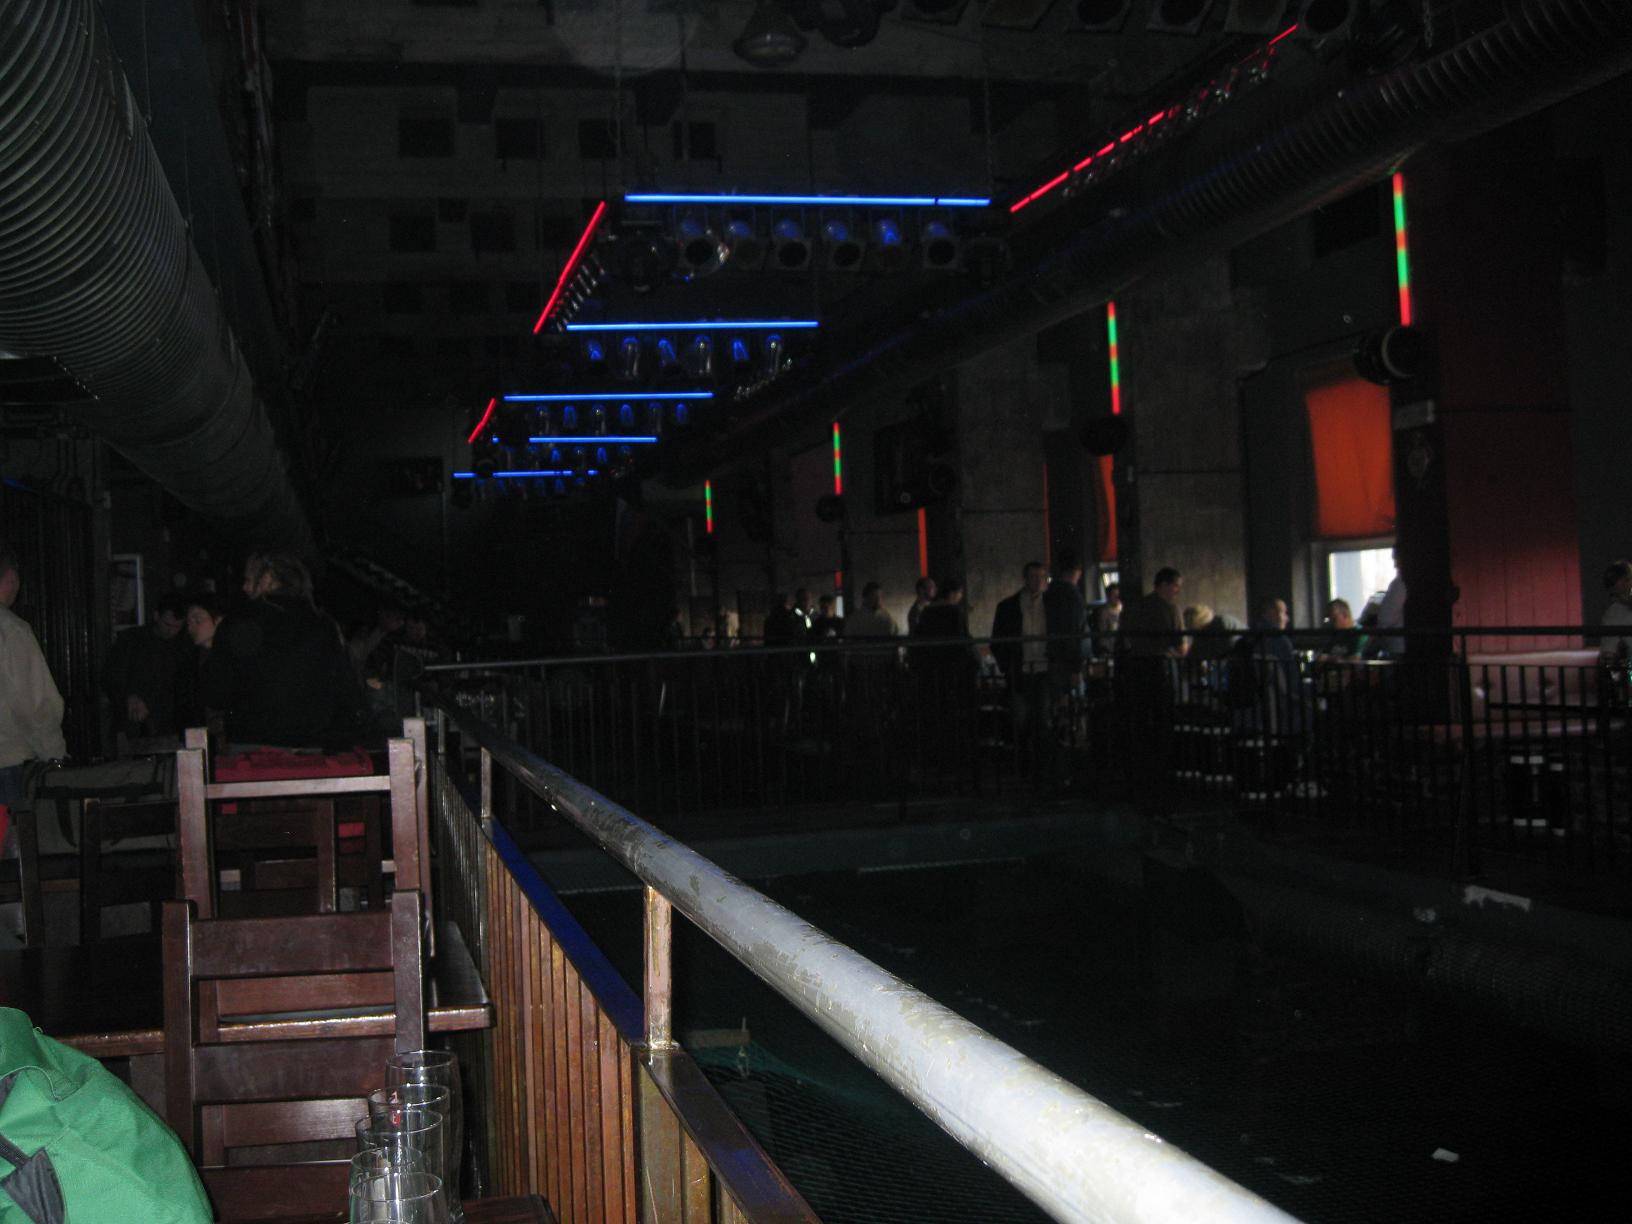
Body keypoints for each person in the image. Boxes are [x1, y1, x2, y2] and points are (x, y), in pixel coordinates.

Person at [201, 551, 365, 750]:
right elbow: (347, 691)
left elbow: (216, 693)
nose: (244, 587)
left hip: (251, 750)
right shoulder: (323, 625)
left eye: (248, 580)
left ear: (267, 579)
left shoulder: (238, 623)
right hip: (311, 749)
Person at [0, 541, 66, 813]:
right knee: (11, 833)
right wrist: (54, 753)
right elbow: (34, 703)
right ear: (11, 579)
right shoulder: (11, 630)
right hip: (7, 761)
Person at [102, 591, 191, 741]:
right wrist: (129, 696)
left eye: (177, 627)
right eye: (167, 624)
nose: (171, 631)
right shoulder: (131, 640)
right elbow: (110, 676)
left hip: (169, 724)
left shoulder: (183, 647)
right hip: (132, 724)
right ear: (156, 616)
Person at [991, 562, 1052, 773]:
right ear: (1025, 579)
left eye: (1041, 577)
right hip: (1021, 670)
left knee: (1040, 719)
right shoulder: (1008, 607)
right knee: (1021, 721)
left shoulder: (1049, 605)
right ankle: (1027, 765)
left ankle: (1036, 766)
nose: (1038, 581)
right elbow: (997, 641)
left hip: (1041, 669)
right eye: (1034, 576)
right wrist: (1008, 666)